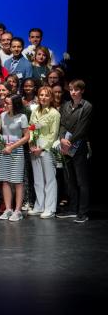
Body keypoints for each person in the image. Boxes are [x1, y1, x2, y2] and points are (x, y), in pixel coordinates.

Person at [57, 79, 92, 223]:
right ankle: (73, 208)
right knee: (69, 179)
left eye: (76, 90)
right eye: (71, 89)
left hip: (79, 146)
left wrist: (69, 142)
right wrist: (61, 139)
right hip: (66, 146)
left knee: (81, 181)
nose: (73, 92)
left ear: (82, 91)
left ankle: (83, 212)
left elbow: (82, 128)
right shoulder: (66, 105)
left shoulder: (87, 106)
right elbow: (62, 124)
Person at [28, 86, 60, 219]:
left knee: (49, 179)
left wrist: (41, 148)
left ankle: (50, 208)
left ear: (51, 97)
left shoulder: (54, 113)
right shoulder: (35, 110)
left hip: (46, 148)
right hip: (34, 146)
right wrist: (31, 143)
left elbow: (54, 134)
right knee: (38, 180)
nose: (43, 97)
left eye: (46, 95)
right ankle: (39, 205)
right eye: (41, 95)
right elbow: (31, 128)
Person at [0, 95, 31, 222]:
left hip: (16, 150)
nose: (5, 105)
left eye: (8, 103)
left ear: (15, 104)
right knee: (5, 180)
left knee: (17, 181)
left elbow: (26, 136)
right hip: (4, 150)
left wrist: (12, 147)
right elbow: (2, 133)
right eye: (5, 103)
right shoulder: (2, 115)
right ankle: (8, 209)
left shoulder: (22, 117)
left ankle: (18, 210)